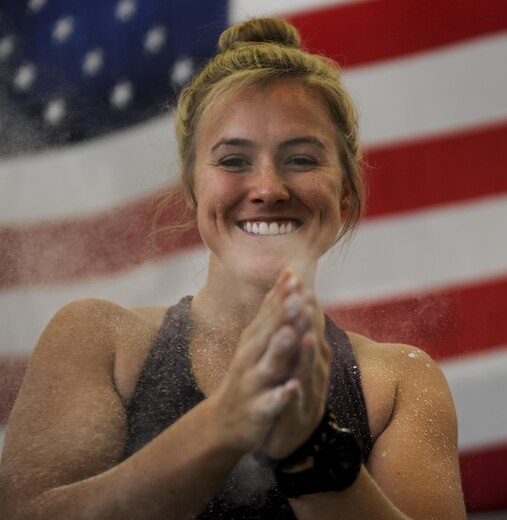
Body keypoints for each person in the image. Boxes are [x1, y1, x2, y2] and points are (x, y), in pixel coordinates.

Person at [0, 17, 466, 520]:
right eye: (233, 161)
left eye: (303, 159)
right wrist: (228, 420)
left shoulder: (397, 383)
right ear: (193, 190)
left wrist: (308, 450)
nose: (267, 188)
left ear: (346, 194)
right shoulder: (100, 339)